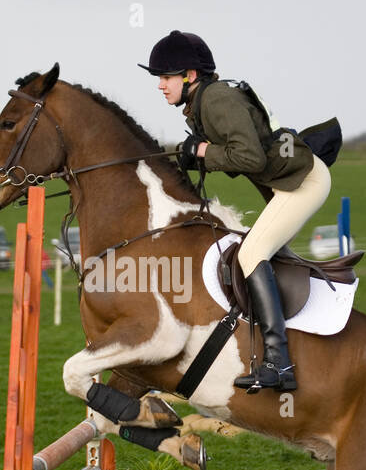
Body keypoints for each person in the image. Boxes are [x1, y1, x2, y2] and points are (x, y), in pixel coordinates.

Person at [140, 30, 332, 393]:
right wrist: (194, 153)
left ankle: (279, 363)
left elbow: (249, 158)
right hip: (287, 182)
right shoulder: (204, 102)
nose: (161, 85)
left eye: (166, 77)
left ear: (190, 76)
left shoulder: (216, 100)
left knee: (252, 252)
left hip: (304, 183)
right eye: (159, 78)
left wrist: (200, 153)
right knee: (264, 252)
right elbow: (235, 156)